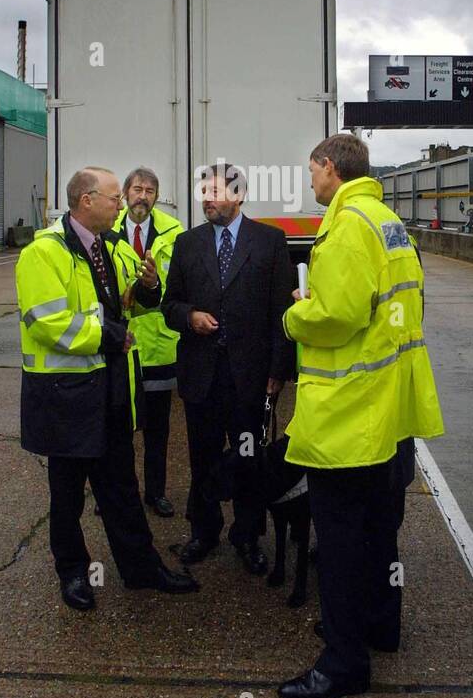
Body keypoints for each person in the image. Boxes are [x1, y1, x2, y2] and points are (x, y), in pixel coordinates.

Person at [277, 135, 444, 698]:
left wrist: (294, 316)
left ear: (329, 168)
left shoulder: (347, 225)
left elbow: (338, 315)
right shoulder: (388, 221)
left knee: (342, 543)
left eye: (313, 172)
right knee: (379, 533)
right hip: (390, 410)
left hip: (351, 416)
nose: (312, 183)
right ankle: (378, 626)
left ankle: (344, 662)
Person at [16, 166, 198, 610]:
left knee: (121, 490)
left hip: (109, 394)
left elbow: (128, 303)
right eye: (115, 197)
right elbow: (47, 324)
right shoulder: (44, 254)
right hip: (65, 399)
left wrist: (149, 285)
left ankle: (142, 569)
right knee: (67, 498)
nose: (122, 204)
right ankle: (74, 575)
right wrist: (109, 336)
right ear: (86, 202)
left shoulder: (107, 246)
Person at [162, 161, 295, 575]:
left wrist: (279, 369)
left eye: (216, 191)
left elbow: (282, 312)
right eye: (204, 192)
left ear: (238, 195)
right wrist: (190, 318)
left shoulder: (270, 242)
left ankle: (248, 534)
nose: (207, 199)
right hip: (202, 375)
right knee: (202, 457)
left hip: (249, 378)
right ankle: (203, 531)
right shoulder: (188, 244)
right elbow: (169, 306)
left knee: (248, 455)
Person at [114, 167, 184, 518]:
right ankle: (119, 495)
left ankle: (155, 492)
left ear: (157, 197)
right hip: (119, 346)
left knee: (157, 430)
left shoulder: (174, 231)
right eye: (137, 189)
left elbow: (185, 284)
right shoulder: (105, 230)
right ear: (125, 193)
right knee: (120, 427)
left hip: (159, 346)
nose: (143, 195)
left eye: (150, 191)